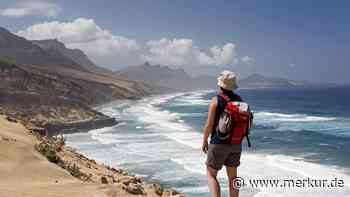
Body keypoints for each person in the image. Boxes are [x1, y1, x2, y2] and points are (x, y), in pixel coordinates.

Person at [202, 70, 250, 197]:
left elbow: (209, 124)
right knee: (233, 178)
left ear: (220, 85)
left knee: (211, 174)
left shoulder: (216, 100)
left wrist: (204, 140)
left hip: (218, 143)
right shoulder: (240, 101)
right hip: (236, 143)